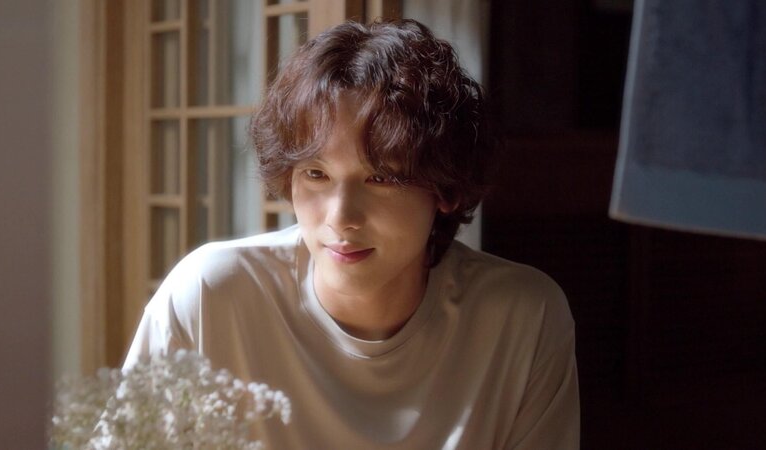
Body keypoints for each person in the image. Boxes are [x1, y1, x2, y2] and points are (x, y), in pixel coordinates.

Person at [124, 18, 579, 449]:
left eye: (381, 178)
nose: (341, 218)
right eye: (316, 174)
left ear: (445, 190)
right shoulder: (211, 297)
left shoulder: (521, 317)